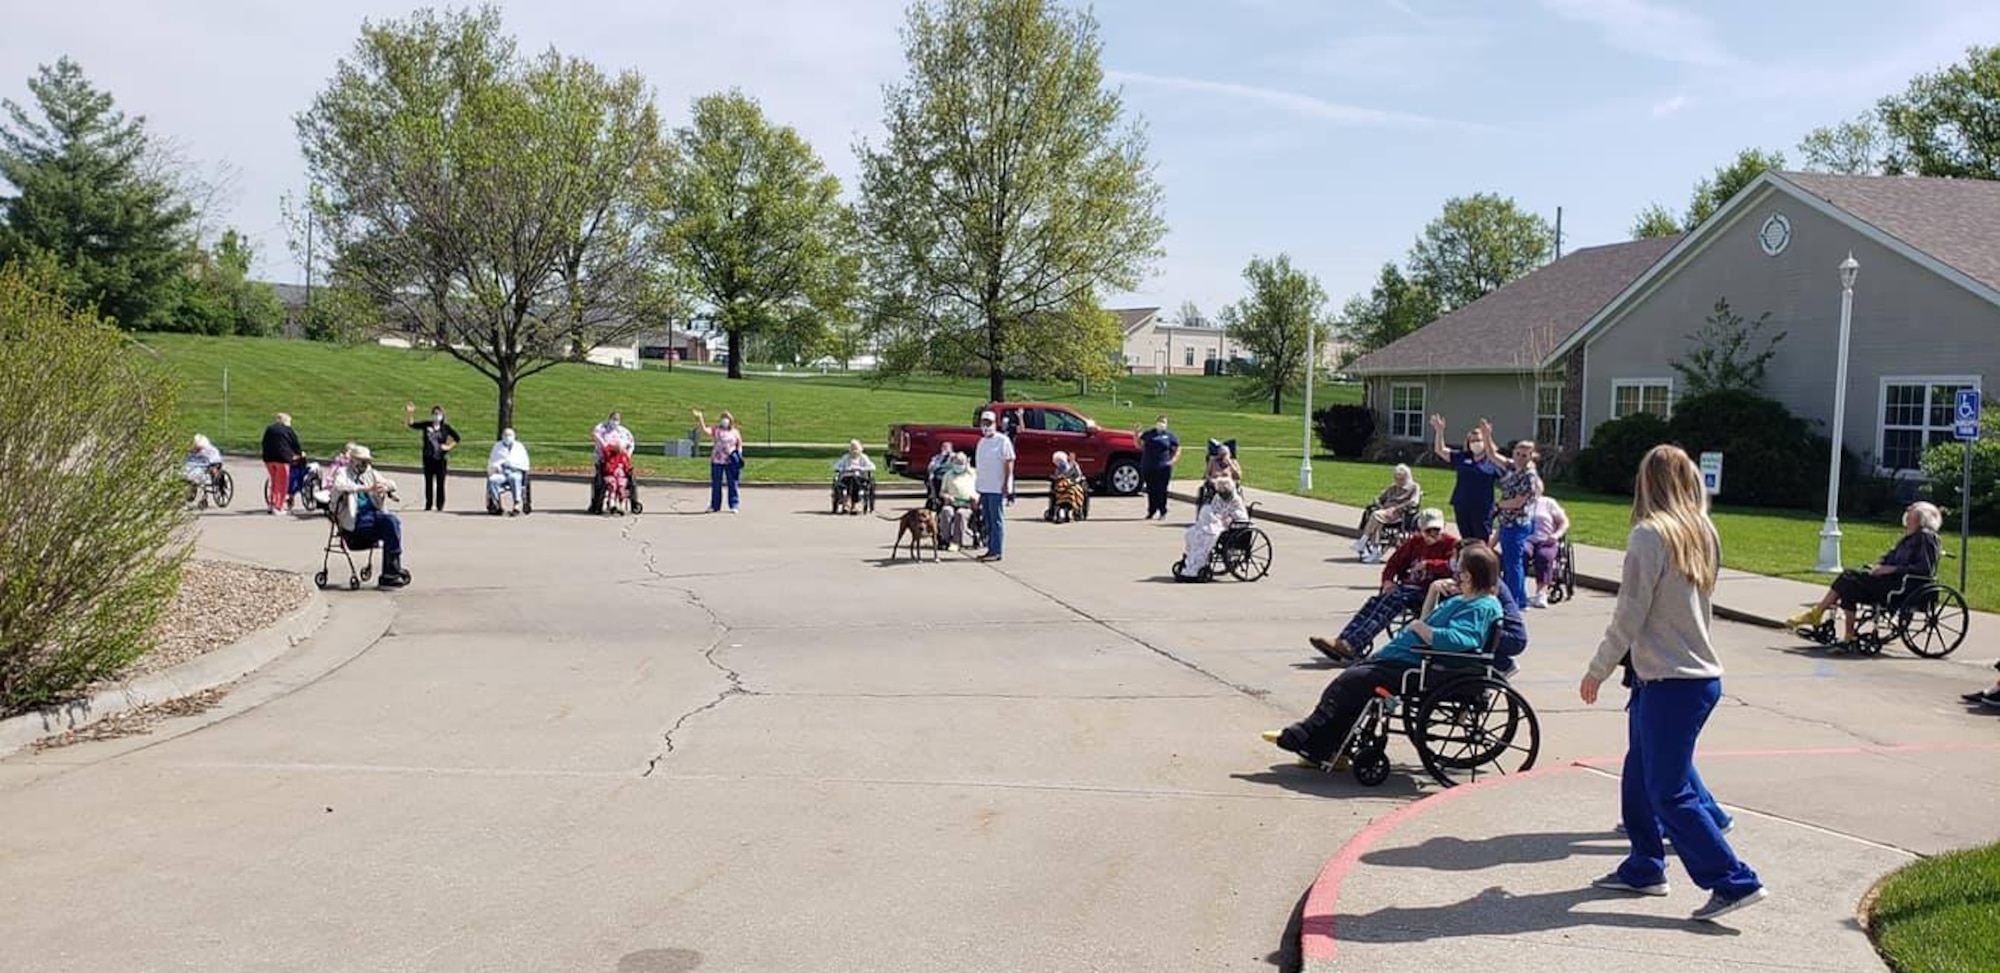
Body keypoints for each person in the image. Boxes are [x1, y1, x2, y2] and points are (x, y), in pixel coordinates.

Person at [1579, 444, 1764, 923]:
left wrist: (1597, 668)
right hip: (1687, 677)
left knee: (1668, 791)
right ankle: (1644, 866)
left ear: (1647, 482)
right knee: (1639, 774)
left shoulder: (1648, 535)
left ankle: (1734, 880)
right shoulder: (1703, 531)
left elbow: (1629, 613)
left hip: (1672, 681)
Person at [1265, 544, 1504, 767]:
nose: (1454, 571)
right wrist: (1432, 592)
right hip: (1406, 658)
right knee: (1353, 684)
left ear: (1468, 575)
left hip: (1419, 665)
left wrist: (1420, 629)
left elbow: (1461, 640)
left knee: (1350, 682)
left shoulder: (1481, 606)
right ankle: (1325, 747)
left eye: (1457, 567)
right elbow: (1427, 620)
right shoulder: (1465, 599)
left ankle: (1307, 737)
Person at [1783, 502, 1944, 645]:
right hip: (1887, 581)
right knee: (1849, 586)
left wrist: (1892, 569)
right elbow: (1889, 557)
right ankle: (1848, 634)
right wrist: (1879, 566)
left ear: (1921, 519)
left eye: (1911, 513)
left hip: (1902, 586)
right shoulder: (1907, 538)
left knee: (1848, 577)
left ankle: (1817, 613)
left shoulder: (1926, 538)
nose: (1907, 516)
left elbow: (1924, 569)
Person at [1309, 509, 1458, 662]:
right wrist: (1387, 581)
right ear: (1420, 529)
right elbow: (1393, 564)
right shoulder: (1414, 542)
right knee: (1375, 601)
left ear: (1444, 527)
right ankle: (1345, 641)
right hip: (1408, 586)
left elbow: (1454, 567)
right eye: (1428, 530)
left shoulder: (1451, 544)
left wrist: (1429, 564)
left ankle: (1352, 644)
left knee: (1391, 602)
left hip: (1430, 591)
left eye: (1437, 530)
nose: (1433, 533)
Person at [333, 446, 410, 588]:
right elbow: (339, 486)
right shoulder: (343, 472)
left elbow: (392, 483)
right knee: (385, 523)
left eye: (367, 461)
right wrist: (365, 488)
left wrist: (386, 487)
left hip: (373, 516)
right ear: (353, 460)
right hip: (355, 520)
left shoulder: (370, 473)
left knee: (392, 521)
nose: (364, 465)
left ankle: (391, 571)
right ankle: (392, 570)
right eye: (361, 461)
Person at [1428, 413, 1502, 541]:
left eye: (1478, 440)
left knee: (1481, 539)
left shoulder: (1492, 460)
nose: (1475, 443)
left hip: (1482, 506)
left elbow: (1505, 475)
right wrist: (1439, 431)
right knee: (1466, 538)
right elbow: (1440, 450)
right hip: (1462, 503)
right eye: (1472, 440)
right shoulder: (1462, 457)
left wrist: (1488, 435)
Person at [1491, 439, 1544, 608]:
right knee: (1511, 562)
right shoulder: (1514, 468)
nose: (1521, 457)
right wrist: (1487, 435)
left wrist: (1498, 505)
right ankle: (1519, 598)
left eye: (1525, 455)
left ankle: (1513, 600)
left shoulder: (1528, 475)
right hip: (1508, 522)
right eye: (1518, 454)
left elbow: (1518, 502)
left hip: (1517, 523)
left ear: (1531, 456)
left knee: (1513, 564)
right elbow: (1492, 456)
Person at [1175, 475, 1249, 580]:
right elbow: (1214, 510)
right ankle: (1190, 562)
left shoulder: (1236, 500)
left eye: (1224, 491)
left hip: (1231, 527)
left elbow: (1241, 517)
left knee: (1208, 537)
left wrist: (1226, 518)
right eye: (1220, 490)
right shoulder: (1218, 497)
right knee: (1193, 533)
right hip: (1216, 523)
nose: (1222, 493)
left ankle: (1197, 566)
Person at [1353, 464, 1422, 562]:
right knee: (1377, 521)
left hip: (1399, 514)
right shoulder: (1392, 488)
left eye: (1401, 479)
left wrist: (1396, 508)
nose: (1399, 482)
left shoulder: (1414, 487)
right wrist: (1380, 505)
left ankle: (1363, 541)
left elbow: (1414, 502)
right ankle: (1375, 551)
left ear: (1407, 477)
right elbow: (1378, 498)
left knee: (1375, 515)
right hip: (1385, 514)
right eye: (1397, 478)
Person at [973, 409, 1016, 562]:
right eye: (983, 422)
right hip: (984, 487)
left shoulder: (1002, 440)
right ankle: (990, 548)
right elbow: (979, 466)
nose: (986, 426)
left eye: (989, 423)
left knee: (996, 520)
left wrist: (1006, 484)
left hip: (996, 488)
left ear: (994, 424)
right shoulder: (982, 442)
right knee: (988, 521)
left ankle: (996, 551)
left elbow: (1009, 461)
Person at [403, 402, 461, 512]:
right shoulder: (427, 425)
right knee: (428, 482)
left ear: (443, 415)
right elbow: (412, 424)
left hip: (441, 459)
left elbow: (457, 438)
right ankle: (428, 504)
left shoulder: (446, 428)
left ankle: (440, 505)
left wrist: (449, 446)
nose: (436, 416)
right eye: (434, 413)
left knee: (440, 483)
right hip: (428, 458)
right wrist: (410, 413)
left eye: (438, 414)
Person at [693, 408, 744, 513]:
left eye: (727, 418)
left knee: (732, 483)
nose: (724, 420)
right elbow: (704, 430)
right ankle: (714, 506)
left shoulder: (735, 432)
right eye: (723, 418)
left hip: (730, 461)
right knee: (716, 484)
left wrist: (738, 456)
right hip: (717, 460)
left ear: (731, 420)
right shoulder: (716, 430)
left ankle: (734, 504)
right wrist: (700, 418)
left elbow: (739, 444)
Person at [589, 412, 639, 515]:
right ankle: (610, 504)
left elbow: (631, 444)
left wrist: (626, 458)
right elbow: (598, 438)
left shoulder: (623, 433)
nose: (616, 421)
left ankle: (620, 504)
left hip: (620, 474)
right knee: (612, 484)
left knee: (622, 485)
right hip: (607, 470)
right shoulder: (602, 429)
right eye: (614, 419)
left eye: (618, 419)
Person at [1527, 494, 1571, 608]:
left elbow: (1564, 522)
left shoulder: (1548, 502)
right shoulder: (1520, 501)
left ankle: (1541, 593)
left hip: (1547, 539)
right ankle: (1518, 592)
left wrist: (1556, 535)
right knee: (1520, 554)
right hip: (1527, 539)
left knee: (1544, 556)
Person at [1137, 415, 1181, 520]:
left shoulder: (1170, 436)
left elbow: (1177, 449)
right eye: (1160, 421)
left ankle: (1163, 511)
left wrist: (1173, 460)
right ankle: (1151, 511)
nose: (1161, 423)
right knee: (1151, 489)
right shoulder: (1149, 434)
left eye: (1164, 422)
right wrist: (1136, 434)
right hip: (1149, 465)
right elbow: (1140, 445)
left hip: (1164, 467)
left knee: (1162, 490)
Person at [936, 448, 978, 551]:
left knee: (960, 513)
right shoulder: (948, 475)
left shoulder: (973, 474)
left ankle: (956, 541)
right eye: (956, 462)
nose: (958, 465)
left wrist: (976, 498)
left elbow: (980, 490)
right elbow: (942, 491)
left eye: (961, 462)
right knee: (946, 511)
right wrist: (946, 496)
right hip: (952, 502)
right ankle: (945, 540)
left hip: (967, 504)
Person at [260, 412, 302, 515]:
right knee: (282, 483)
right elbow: (295, 444)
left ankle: (271, 503)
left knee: (274, 482)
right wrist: (299, 454)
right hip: (282, 459)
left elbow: (264, 442)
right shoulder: (288, 430)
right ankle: (278, 506)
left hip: (269, 459)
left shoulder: (269, 429)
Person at [486, 428, 531, 516]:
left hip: (515, 471)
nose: (507, 437)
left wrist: (514, 466)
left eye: (509, 435)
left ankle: (517, 504)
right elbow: (492, 461)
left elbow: (525, 463)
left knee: (514, 478)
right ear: (502, 436)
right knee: (493, 480)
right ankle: (496, 504)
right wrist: (496, 467)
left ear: (514, 436)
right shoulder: (497, 446)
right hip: (501, 472)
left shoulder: (519, 447)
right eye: (505, 435)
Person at [834, 439, 876, 515]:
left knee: (854, 479)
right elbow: (836, 466)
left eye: (856, 449)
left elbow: (872, 467)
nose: (854, 451)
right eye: (852, 449)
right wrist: (846, 469)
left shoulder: (863, 457)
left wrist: (860, 469)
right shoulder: (846, 457)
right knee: (850, 479)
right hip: (846, 478)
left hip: (860, 479)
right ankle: (851, 503)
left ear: (860, 449)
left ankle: (850, 503)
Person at [1048, 451, 1088, 523]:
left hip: (1074, 484)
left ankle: (1074, 510)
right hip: (1063, 485)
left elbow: (1079, 476)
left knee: (1074, 491)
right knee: (1064, 491)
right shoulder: (1061, 466)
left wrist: (1073, 481)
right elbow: (1057, 476)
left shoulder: (1075, 465)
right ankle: (1061, 512)